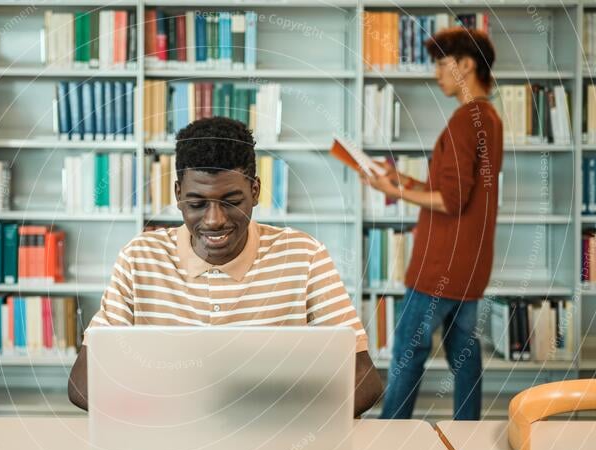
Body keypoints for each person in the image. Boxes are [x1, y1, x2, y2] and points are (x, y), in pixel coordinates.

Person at [69, 116, 382, 416]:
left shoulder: (304, 255)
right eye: (197, 204)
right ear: (178, 194)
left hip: (274, 443)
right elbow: (83, 382)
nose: (214, 219)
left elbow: (364, 379)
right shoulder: (139, 257)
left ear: (255, 191)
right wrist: (163, 421)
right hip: (166, 445)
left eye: (232, 201)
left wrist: (291, 428)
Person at [361, 27, 503, 420]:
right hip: (471, 264)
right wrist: (398, 182)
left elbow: (450, 200)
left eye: (442, 64)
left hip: (440, 264)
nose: (437, 73)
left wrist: (397, 192)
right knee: (464, 353)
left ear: (466, 65)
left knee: (408, 348)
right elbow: (458, 190)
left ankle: (391, 432)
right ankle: (467, 429)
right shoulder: (489, 118)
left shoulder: (463, 120)